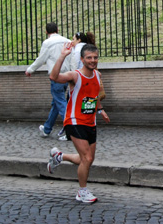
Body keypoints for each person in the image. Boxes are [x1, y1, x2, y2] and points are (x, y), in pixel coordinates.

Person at [47, 42, 110, 204]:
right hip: (74, 121)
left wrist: (100, 110)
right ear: (82, 59)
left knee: (88, 159)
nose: (93, 60)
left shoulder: (97, 75)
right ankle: (82, 192)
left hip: (90, 122)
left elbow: (94, 96)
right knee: (87, 158)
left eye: (95, 57)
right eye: (89, 58)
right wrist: (62, 56)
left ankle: (59, 157)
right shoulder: (75, 76)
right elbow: (54, 77)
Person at [25, 22, 71, 140]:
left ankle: (71, 129)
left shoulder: (47, 43)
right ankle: (47, 129)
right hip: (67, 75)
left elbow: (41, 59)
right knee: (57, 103)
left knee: (60, 102)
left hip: (55, 76)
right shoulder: (67, 41)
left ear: (46, 32)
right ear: (58, 29)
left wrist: (30, 69)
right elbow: (71, 58)